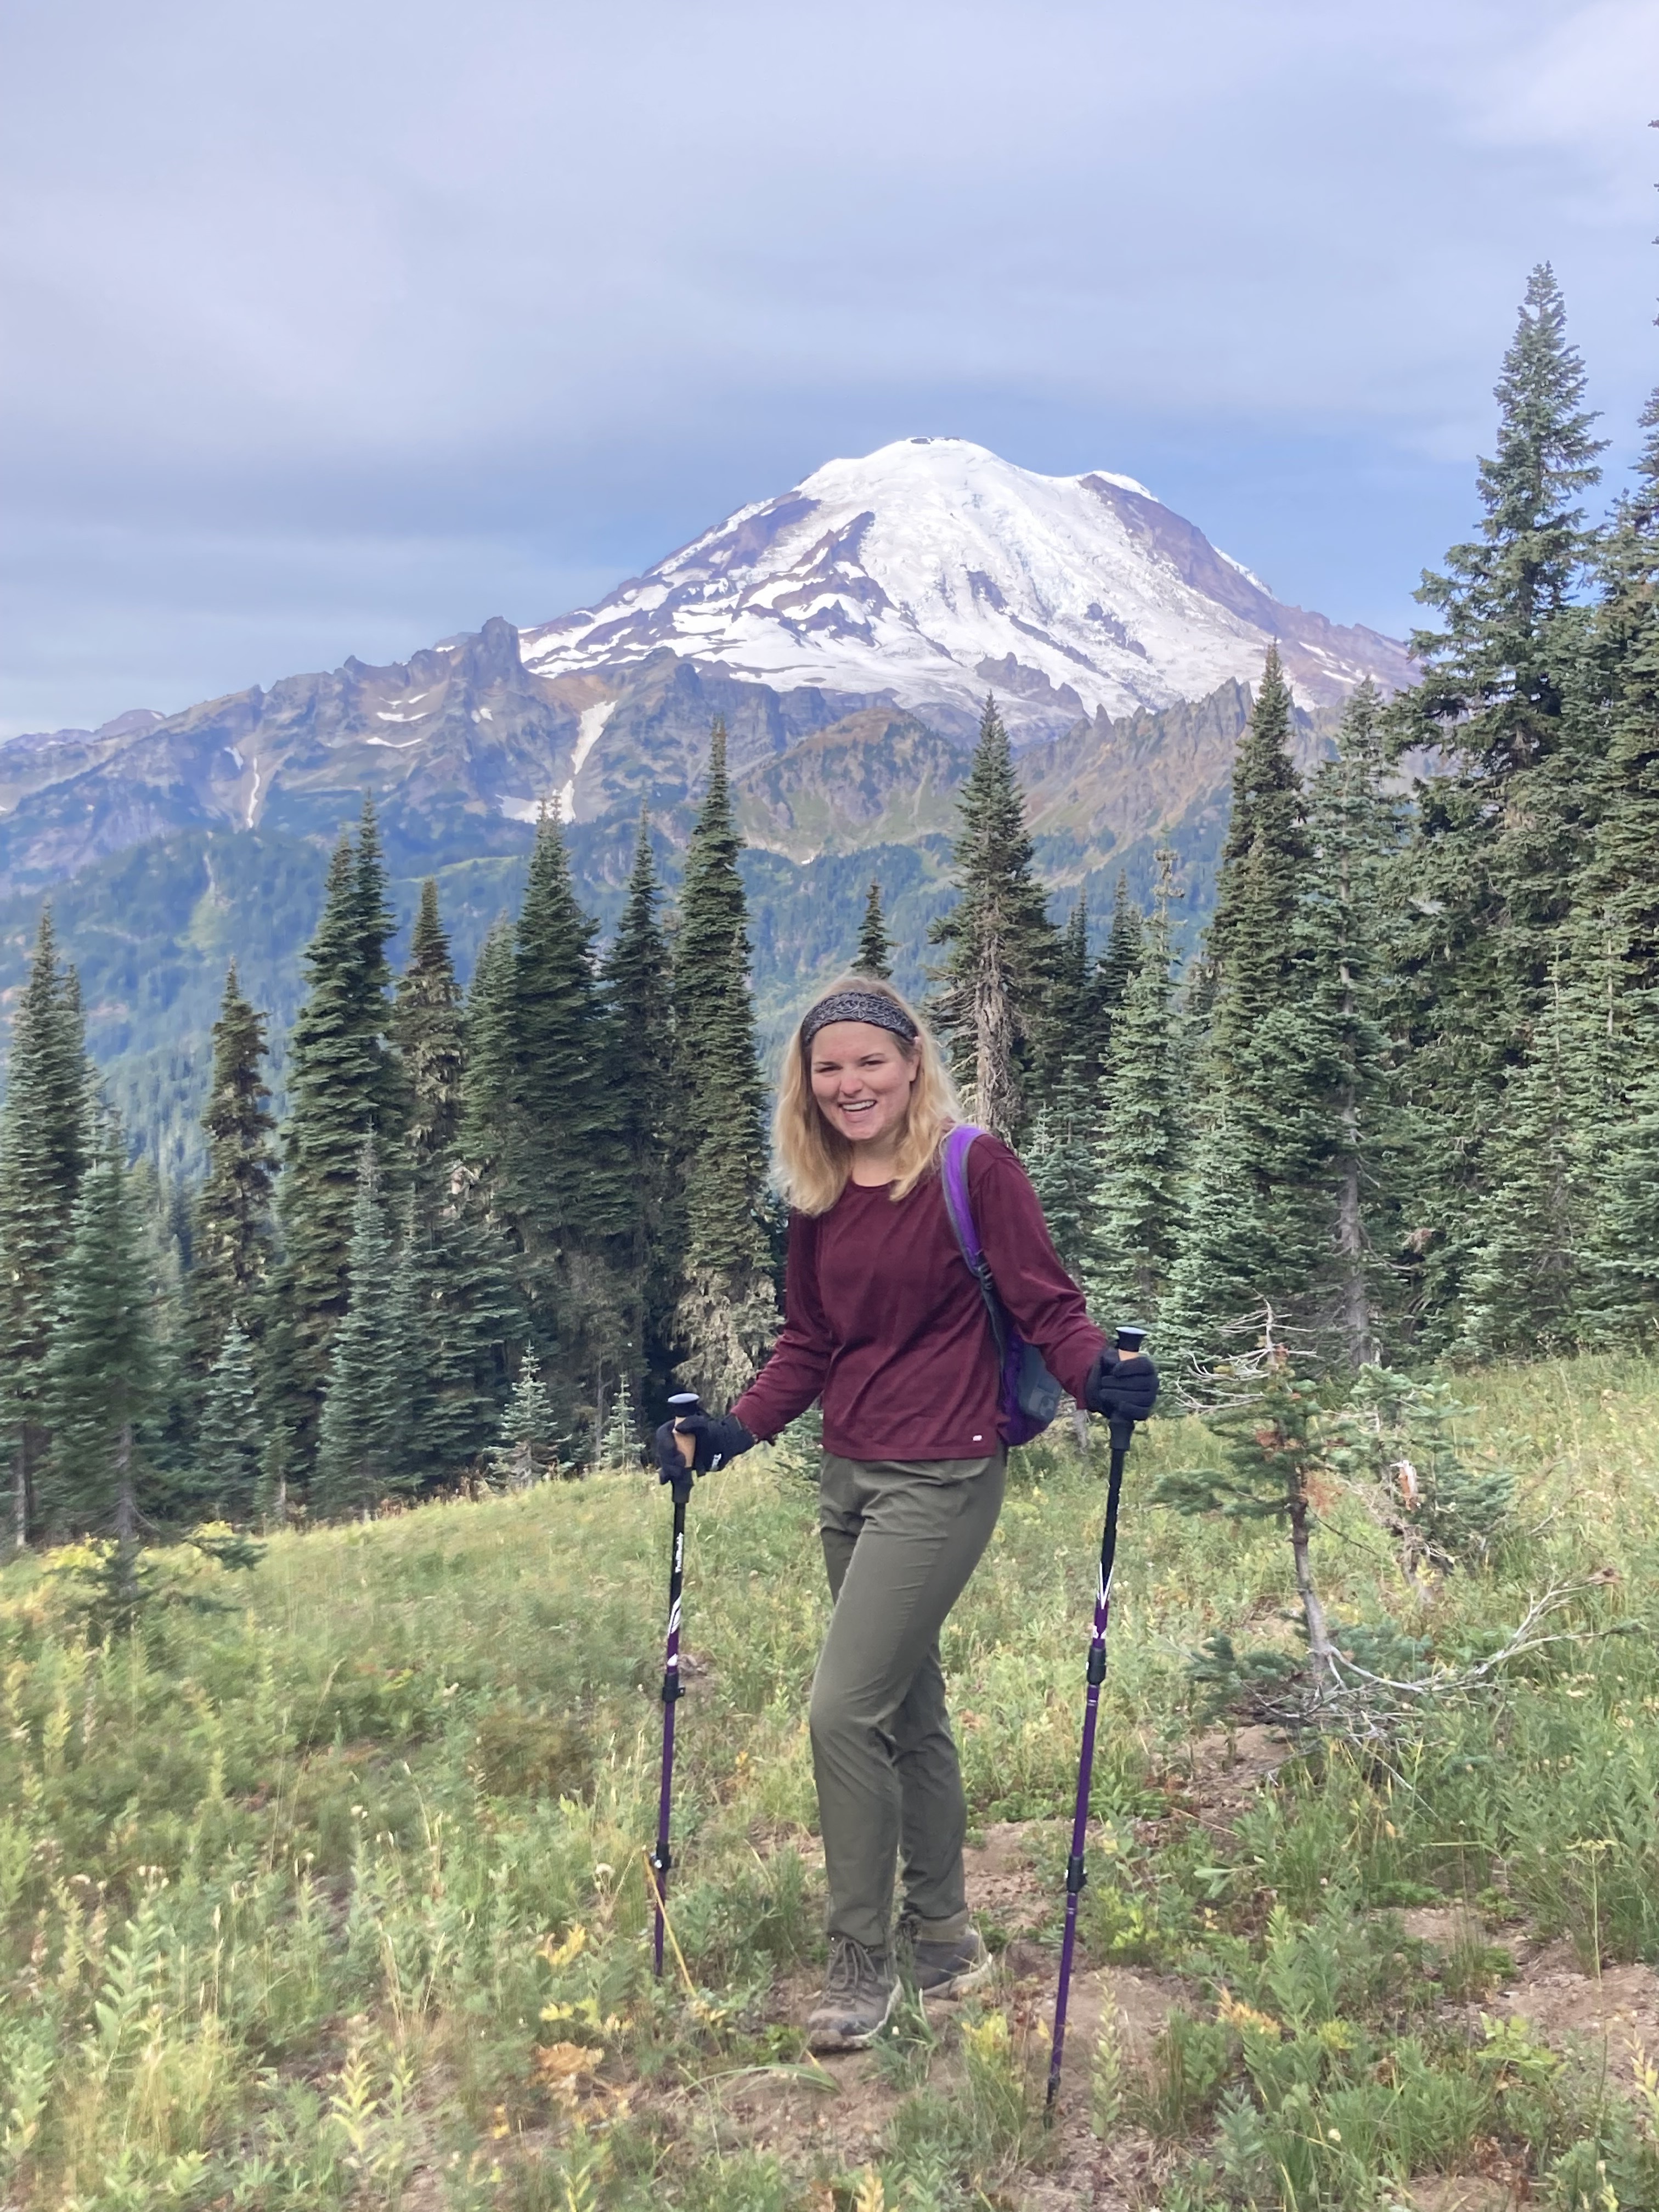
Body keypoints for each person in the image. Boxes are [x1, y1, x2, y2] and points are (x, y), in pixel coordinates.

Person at [656, 975, 1155, 2052]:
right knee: (905, 1712)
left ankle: (857, 1968)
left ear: (913, 1061)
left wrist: (1097, 1379)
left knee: (841, 1712)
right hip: (850, 1477)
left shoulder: (974, 1167)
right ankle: (945, 1941)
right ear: (808, 1083)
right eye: (828, 1068)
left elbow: (1047, 1305)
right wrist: (735, 1431)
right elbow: (810, 1343)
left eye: (869, 1062)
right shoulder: (821, 1191)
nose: (850, 1084)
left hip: (944, 1474)